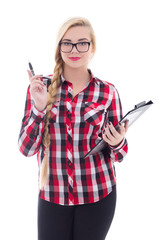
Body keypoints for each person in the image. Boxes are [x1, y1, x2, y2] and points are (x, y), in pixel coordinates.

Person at [18, 17, 129, 240]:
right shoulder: (41, 88)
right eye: (67, 43)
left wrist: (117, 142)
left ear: (92, 48)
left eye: (82, 43)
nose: (74, 49)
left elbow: (121, 154)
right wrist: (39, 107)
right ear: (59, 48)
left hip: (98, 194)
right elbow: (26, 149)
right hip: (53, 195)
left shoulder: (108, 92)